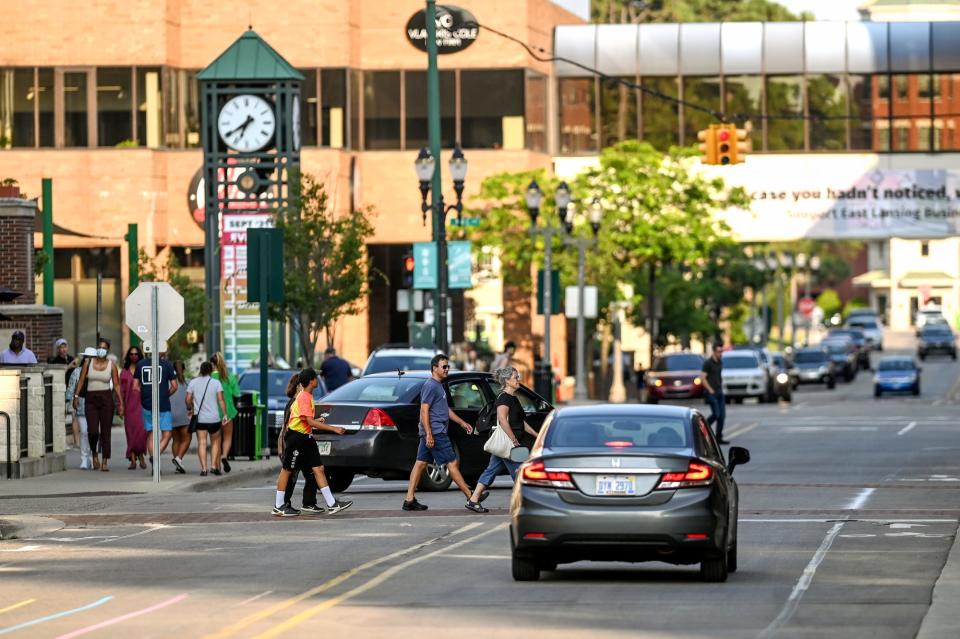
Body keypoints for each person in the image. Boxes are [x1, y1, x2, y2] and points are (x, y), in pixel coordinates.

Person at [402, 354, 480, 512]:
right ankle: (471, 497)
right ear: (434, 368)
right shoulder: (431, 386)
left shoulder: (439, 386)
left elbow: (445, 410)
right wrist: (429, 433)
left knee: (420, 463)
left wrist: (462, 422)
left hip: (433, 431)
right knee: (452, 463)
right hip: (436, 432)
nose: (447, 369)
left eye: (448, 366)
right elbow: (424, 410)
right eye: (444, 367)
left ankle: (409, 499)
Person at [272, 368, 352, 517]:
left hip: (306, 438)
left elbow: (306, 421)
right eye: (316, 377)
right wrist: (333, 429)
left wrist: (316, 421)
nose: (318, 379)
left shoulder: (308, 396)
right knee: (287, 470)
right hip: (297, 438)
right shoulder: (303, 397)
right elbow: (308, 421)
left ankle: (332, 504)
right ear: (311, 381)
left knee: (319, 469)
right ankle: (278, 505)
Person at [466, 366, 538, 513]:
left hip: (508, 443)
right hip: (509, 444)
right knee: (520, 473)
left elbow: (520, 422)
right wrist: (513, 440)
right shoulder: (504, 398)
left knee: (491, 470)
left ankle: (474, 499)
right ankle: (525, 504)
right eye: (516, 377)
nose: (518, 380)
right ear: (507, 381)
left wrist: (536, 434)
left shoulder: (512, 398)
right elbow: (502, 419)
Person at [73, 338, 124, 471]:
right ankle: (94, 454)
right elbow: (81, 381)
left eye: (104, 348)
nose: (101, 350)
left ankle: (105, 460)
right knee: (93, 431)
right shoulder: (88, 363)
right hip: (91, 399)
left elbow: (117, 385)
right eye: (100, 347)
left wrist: (121, 403)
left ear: (107, 350)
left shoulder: (111, 365)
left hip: (106, 398)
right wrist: (76, 396)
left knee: (106, 432)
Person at [279, 373, 319, 512]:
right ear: (299, 387)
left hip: (304, 444)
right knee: (291, 474)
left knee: (313, 473)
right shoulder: (293, 403)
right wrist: (283, 446)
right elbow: (287, 427)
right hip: (294, 443)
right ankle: (284, 504)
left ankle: (309, 502)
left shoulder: (303, 401)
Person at [134, 348, 178, 469]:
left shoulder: (140, 364)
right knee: (167, 433)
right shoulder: (166, 365)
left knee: (151, 433)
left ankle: (154, 457)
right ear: (161, 351)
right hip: (163, 404)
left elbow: (135, 386)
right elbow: (175, 386)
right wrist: (165, 394)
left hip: (146, 403)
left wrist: (145, 394)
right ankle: (156, 456)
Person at [186, 362, 229, 476]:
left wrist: (190, 408)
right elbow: (221, 400)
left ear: (200, 370)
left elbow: (188, 398)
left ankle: (204, 469)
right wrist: (224, 415)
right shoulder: (216, 383)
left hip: (200, 419)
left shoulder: (193, 382)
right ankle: (214, 466)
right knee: (215, 442)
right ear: (211, 370)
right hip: (214, 418)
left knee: (202, 442)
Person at [210, 352, 240, 473]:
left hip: (213, 411)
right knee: (227, 437)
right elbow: (236, 393)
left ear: (212, 364)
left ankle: (216, 465)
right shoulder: (230, 376)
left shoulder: (210, 377)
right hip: (228, 411)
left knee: (215, 440)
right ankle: (224, 456)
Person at [119, 346, 147, 470]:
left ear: (139, 355)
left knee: (141, 433)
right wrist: (120, 405)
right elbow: (120, 390)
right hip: (129, 405)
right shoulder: (124, 371)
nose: (134, 356)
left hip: (142, 404)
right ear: (128, 356)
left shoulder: (143, 369)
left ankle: (141, 456)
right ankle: (133, 459)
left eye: (136, 354)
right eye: (131, 354)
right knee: (131, 433)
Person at [66, 349, 94, 469]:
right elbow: (71, 388)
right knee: (84, 432)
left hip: (96, 405)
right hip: (81, 405)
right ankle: (84, 458)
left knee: (93, 433)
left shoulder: (99, 372)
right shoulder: (77, 371)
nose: (90, 360)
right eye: (87, 357)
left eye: (92, 357)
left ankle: (93, 457)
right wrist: (70, 400)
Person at [702, 343, 728, 444]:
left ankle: (718, 438)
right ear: (714, 351)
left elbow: (718, 376)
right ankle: (702, 428)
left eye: (722, 351)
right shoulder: (708, 363)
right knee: (716, 414)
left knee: (722, 416)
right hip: (711, 393)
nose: (720, 353)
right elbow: (702, 378)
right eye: (719, 352)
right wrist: (710, 389)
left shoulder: (720, 362)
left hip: (719, 392)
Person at [169, 361, 190, 474]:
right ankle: (179, 458)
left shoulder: (169, 383)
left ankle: (178, 465)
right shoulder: (188, 383)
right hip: (184, 415)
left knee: (176, 440)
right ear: (184, 370)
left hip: (171, 415)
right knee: (187, 439)